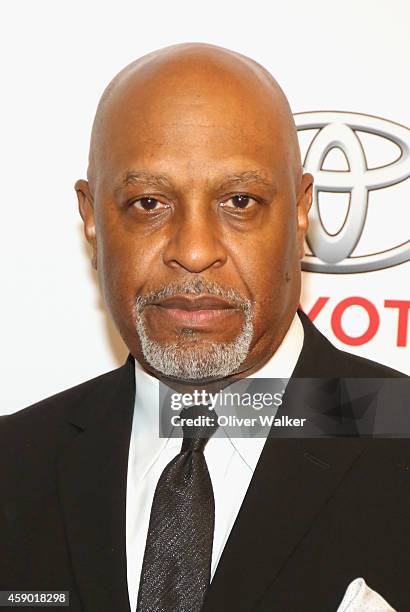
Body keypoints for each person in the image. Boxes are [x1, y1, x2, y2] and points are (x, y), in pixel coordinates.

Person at [0, 43, 408, 612]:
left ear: (299, 208)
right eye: (148, 204)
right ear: (91, 217)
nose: (194, 251)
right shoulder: (13, 467)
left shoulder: (400, 436)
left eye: (239, 201)